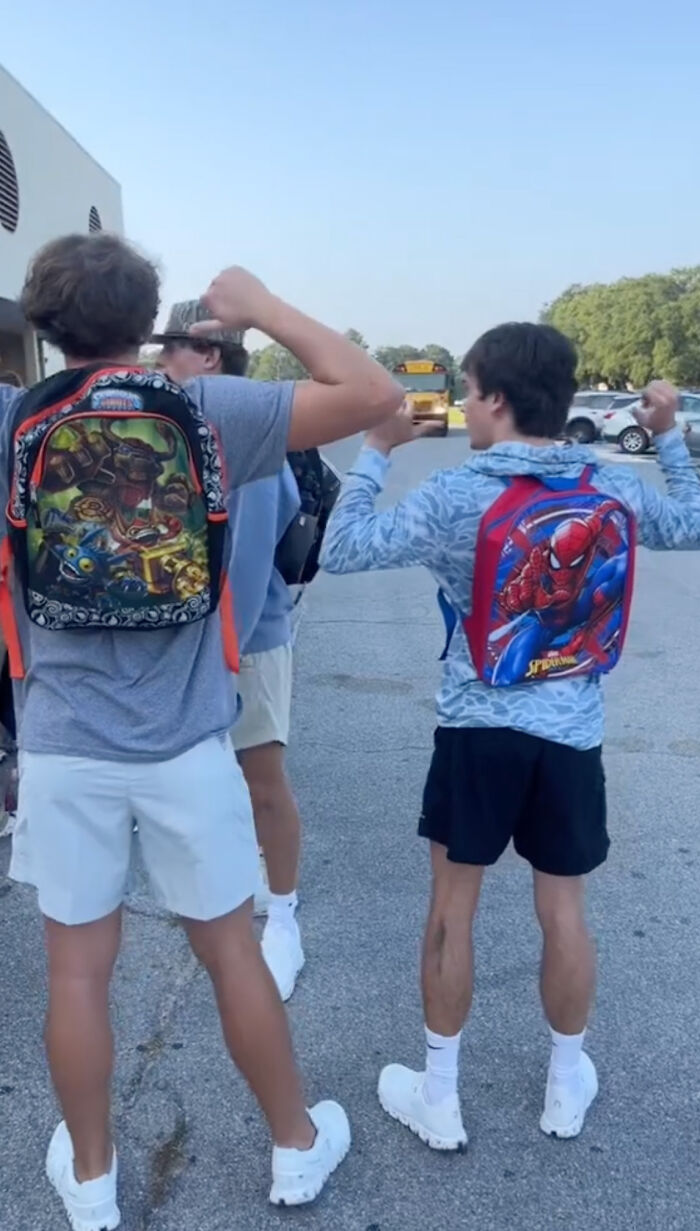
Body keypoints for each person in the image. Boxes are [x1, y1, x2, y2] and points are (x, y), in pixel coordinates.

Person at [5, 232, 402, 1230]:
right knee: (231, 950)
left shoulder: (14, 420)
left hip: (61, 744)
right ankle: (294, 1146)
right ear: (150, 324)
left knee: (77, 971)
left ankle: (92, 1181)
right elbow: (375, 395)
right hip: (187, 742)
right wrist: (261, 306)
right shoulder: (209, 408)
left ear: (43, 323)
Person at [320, 322, 700, 1153]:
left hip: (477, 727)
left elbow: (340, 548)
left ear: (495, 399)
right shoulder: (608, 481)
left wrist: (377, 449)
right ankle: (565, 1084)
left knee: (452, 906)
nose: (460, 402)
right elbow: (692, 521)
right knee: (562, 910)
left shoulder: (456, 493)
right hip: (572, 734)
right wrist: (669, 436)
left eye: (466, 388)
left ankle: (441, 1094)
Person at [159, 304, 306, 1001]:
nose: (161, 363)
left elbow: (245, 559)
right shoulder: (190, 421)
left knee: (262, 780)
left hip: (241, 638)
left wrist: (219, 661)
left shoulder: (237, 423)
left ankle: (284, 917)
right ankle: (247, 892)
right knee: (226, 784)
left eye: (171, 349)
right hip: (209, 638)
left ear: (209, 355)